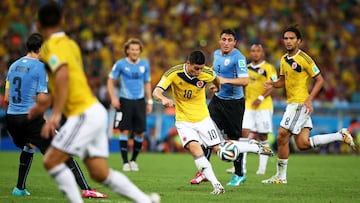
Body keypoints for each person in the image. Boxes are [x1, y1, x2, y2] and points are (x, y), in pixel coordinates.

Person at [33, 2, 159, 203]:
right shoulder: (71, 44)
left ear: (38, 25)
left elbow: (63, 75)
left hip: (83, 113)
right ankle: (145, 200)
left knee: (51, 161)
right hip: (94, 111)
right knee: (100, 173)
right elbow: (69, 79)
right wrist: (45, 103)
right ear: (62, 21)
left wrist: (54, 113)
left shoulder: (49, 47)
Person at [152, 50, 272, 194]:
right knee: (195, 149)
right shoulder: (173, 73)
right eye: (196, 68)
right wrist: (163, 98)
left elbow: (216, 79)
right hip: (184, 121)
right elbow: (156, 92)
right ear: (188, 63)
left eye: (201, 68)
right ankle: (217, 185)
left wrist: (217, 88)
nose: (199, 72)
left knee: (220, 150)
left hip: (203, 119)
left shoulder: (207, 73)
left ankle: (255, 147)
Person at [4, 33, 106, 198]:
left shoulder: (13, 66)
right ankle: (86, 189)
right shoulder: (40, 67)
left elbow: (7, 98)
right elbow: (42, 99)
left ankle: (19, 188)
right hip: (30, 118)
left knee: (29, 146)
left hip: (12, 118)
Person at [262, 25, 355, 184]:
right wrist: (273, 84)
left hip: (300, 103)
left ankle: (280, 177)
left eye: (292, 38)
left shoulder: (305, 58)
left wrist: (309, 98)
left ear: (299, 41)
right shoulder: (284, 59)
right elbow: (283, 81)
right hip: (292, 103)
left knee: (281, 136)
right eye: (286, 38)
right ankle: (340, 135)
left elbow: (320, 80)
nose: (288, 41)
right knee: (302, 144)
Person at [191, 29, 250, 186]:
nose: (226, 43)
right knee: (206, 133)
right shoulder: (216, 54)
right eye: (224, 39)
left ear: (234, 42)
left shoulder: (239, 58)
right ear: (219, 40)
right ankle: (204, 172)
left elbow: (245, 81)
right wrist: (217, 86)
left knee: (233, 140)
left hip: (234, 104)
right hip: (217, 101)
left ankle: (239, 174)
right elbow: (216, 75)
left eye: (230, 40)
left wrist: (225, 81)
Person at [227, 44, 278, 175]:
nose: (255, 53)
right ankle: (240, 168)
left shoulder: (269, 68)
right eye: (253, 51)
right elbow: (242, 85)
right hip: (248, 105)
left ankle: (262, 168)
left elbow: (272, 86)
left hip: (264, 106)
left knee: (262, 136)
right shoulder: (247, 69)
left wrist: (260, 98)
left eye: (258, 51)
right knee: (243, 133)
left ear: (263, 53)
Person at [107, 38, 153, 172]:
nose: (134, 52)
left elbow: (147, 83)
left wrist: (149, 101)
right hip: (124, 100)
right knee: (124, 130)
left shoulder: (144, 64)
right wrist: (113, 98)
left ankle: (133, 160)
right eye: (132, 49)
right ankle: (125, 162)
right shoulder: (120, 64)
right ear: (127, 50)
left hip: (139, 101)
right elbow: (110, 80)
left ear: (140, 51)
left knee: (140, 132)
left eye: (137, 49)